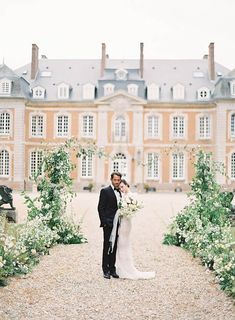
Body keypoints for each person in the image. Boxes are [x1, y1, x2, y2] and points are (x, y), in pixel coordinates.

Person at [116, 179, 155, 280]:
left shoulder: (133, 196)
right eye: (120, 188)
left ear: (127, 185)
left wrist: (125, 210)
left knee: (123, 243)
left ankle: (126, 267)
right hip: (122, 222)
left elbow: (134, 208)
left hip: (126, 222)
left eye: (122, 187)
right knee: (121, 244)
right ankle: (121, 265)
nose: (121, 189)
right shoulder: (123, 196)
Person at [97, 172, 122, 279]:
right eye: (115, 180)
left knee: (115, 246)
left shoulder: (120, 192)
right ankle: (105, 270)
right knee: (107, 246)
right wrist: (104, 222)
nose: (116, 182)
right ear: (111, 180)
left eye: (118, 180)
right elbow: (100, 208)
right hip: (109, 224)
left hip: (118, 224)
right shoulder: (105, 191)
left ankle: (112, 269)